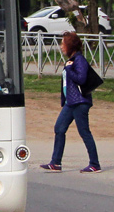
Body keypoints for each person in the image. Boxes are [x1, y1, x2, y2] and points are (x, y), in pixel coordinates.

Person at [40, 31, 101, 173]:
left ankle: (95, 164)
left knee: (84, 132)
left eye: (63, 44)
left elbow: (81, 79)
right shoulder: (73, 60)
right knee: (59, 128)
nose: (61, 47)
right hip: (70, 102)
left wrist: (68, 69)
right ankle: (55, 163)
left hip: (80, 102)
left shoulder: (79, 60)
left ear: (71, 45)